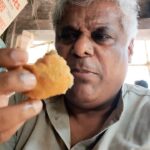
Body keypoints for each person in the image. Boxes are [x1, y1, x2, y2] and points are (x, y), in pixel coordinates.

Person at [0, 0, 150, 149]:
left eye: (102, 36)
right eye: (68, 35)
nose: (79, 48)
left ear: (129, 49)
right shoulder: (16, 106)